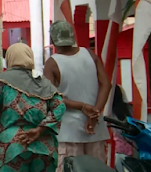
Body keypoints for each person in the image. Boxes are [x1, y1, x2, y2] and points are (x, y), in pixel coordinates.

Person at [0, 43, 66, 172]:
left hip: (12, 146)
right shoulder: (43, 83)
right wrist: (40, 129)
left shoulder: (1, 82)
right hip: (43, 148)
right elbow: (60, 107)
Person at [43, 20, 111, 172]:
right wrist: (95, 112)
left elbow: (52, 98)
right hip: (95, 129)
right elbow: (106, 85)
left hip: (68, 132)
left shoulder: (52, 63)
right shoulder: (90, 55)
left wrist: (82, 107)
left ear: (53, 40)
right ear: (72, 37)